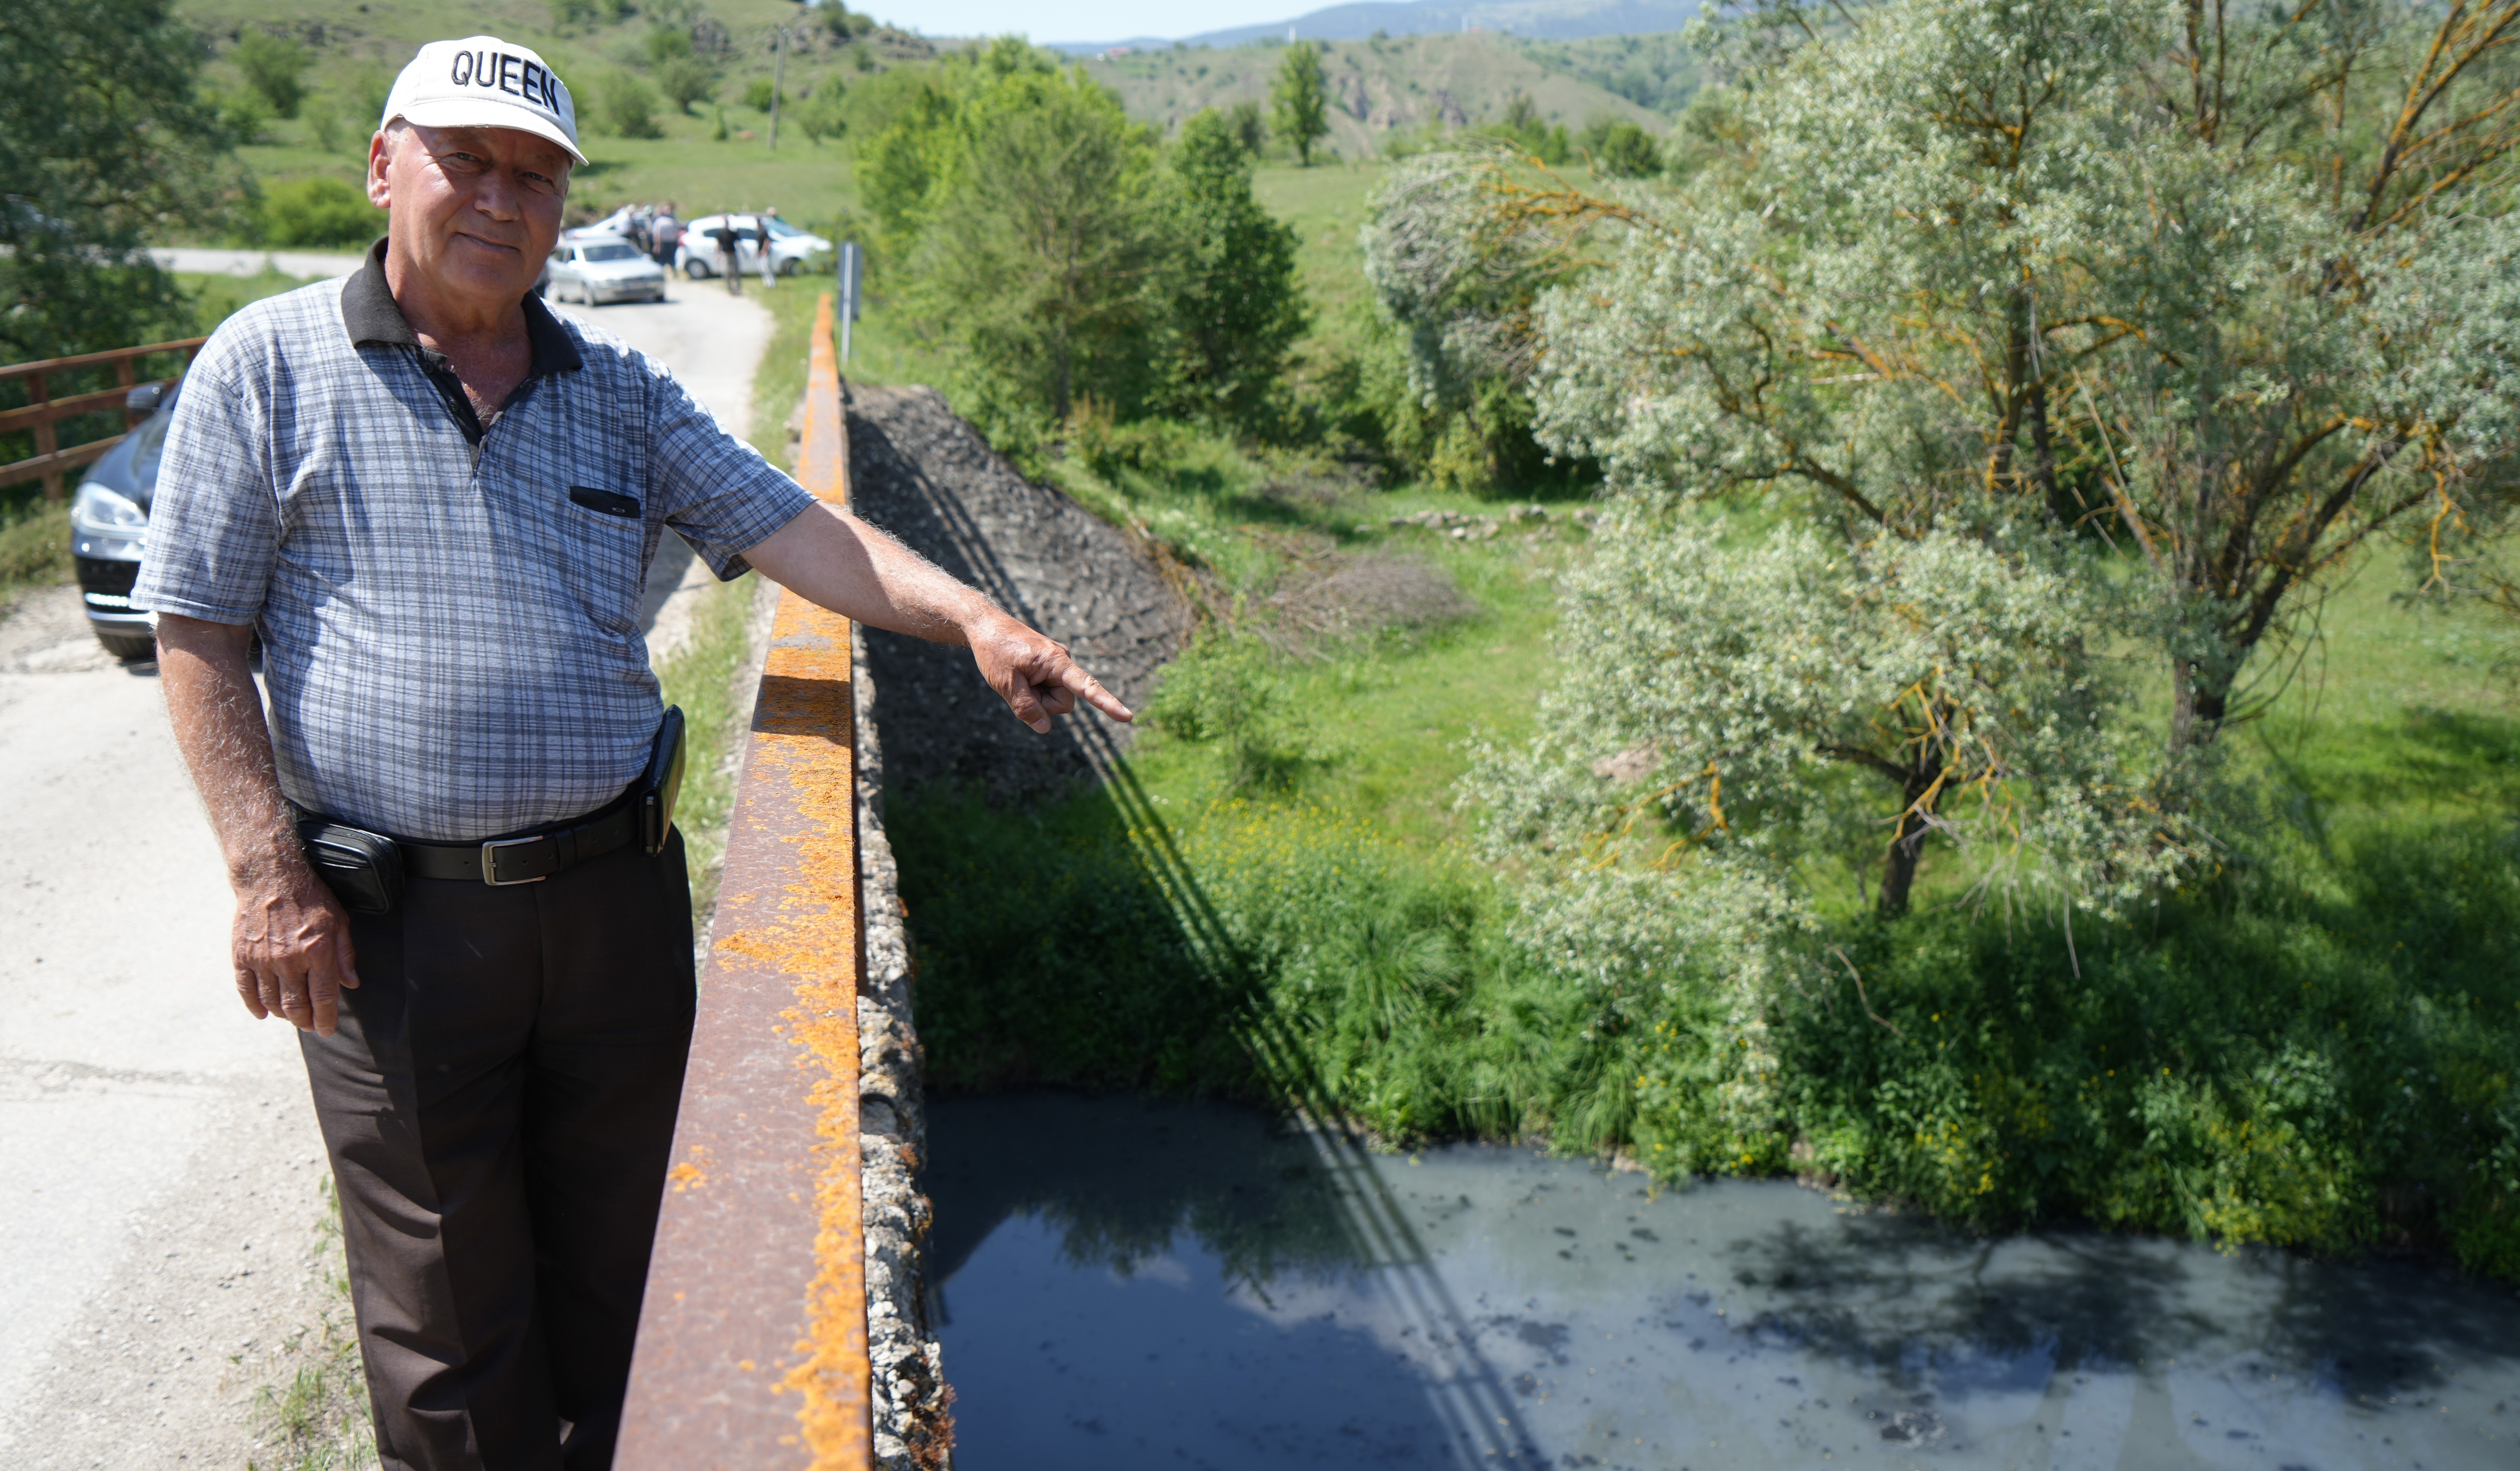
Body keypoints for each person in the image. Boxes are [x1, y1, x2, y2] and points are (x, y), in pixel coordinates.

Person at [134, 33, 1128, 1471]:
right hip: (390, 928)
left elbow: (810, 533)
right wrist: (263, 874)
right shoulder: (266, 365)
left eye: (535, 175)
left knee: (637, 1264)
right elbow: (199, 631)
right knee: (445, 1321)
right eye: (466, 159)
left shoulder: (617, 392)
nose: (500, 197)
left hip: (613, 906)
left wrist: (975, 617)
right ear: (382, 164)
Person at [706, 213, 742, 294]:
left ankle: (737, 288)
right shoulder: (721, 234)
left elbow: (738, 243)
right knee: (725, 272)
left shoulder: (733, 233)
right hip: (725, 254)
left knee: (736, 272)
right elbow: (718, 244)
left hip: (733, 254)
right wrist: (718, 255)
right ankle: (730, 288)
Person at [649, 201, 680, 269]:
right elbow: (677, 231)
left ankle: (669, 271)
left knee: (666, 259)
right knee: (670, 258)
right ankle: (671, 271)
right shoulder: (670, 221)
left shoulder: (659, 222)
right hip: (669, 242)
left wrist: (657, 245)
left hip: (666, 242)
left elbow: (656, 235)